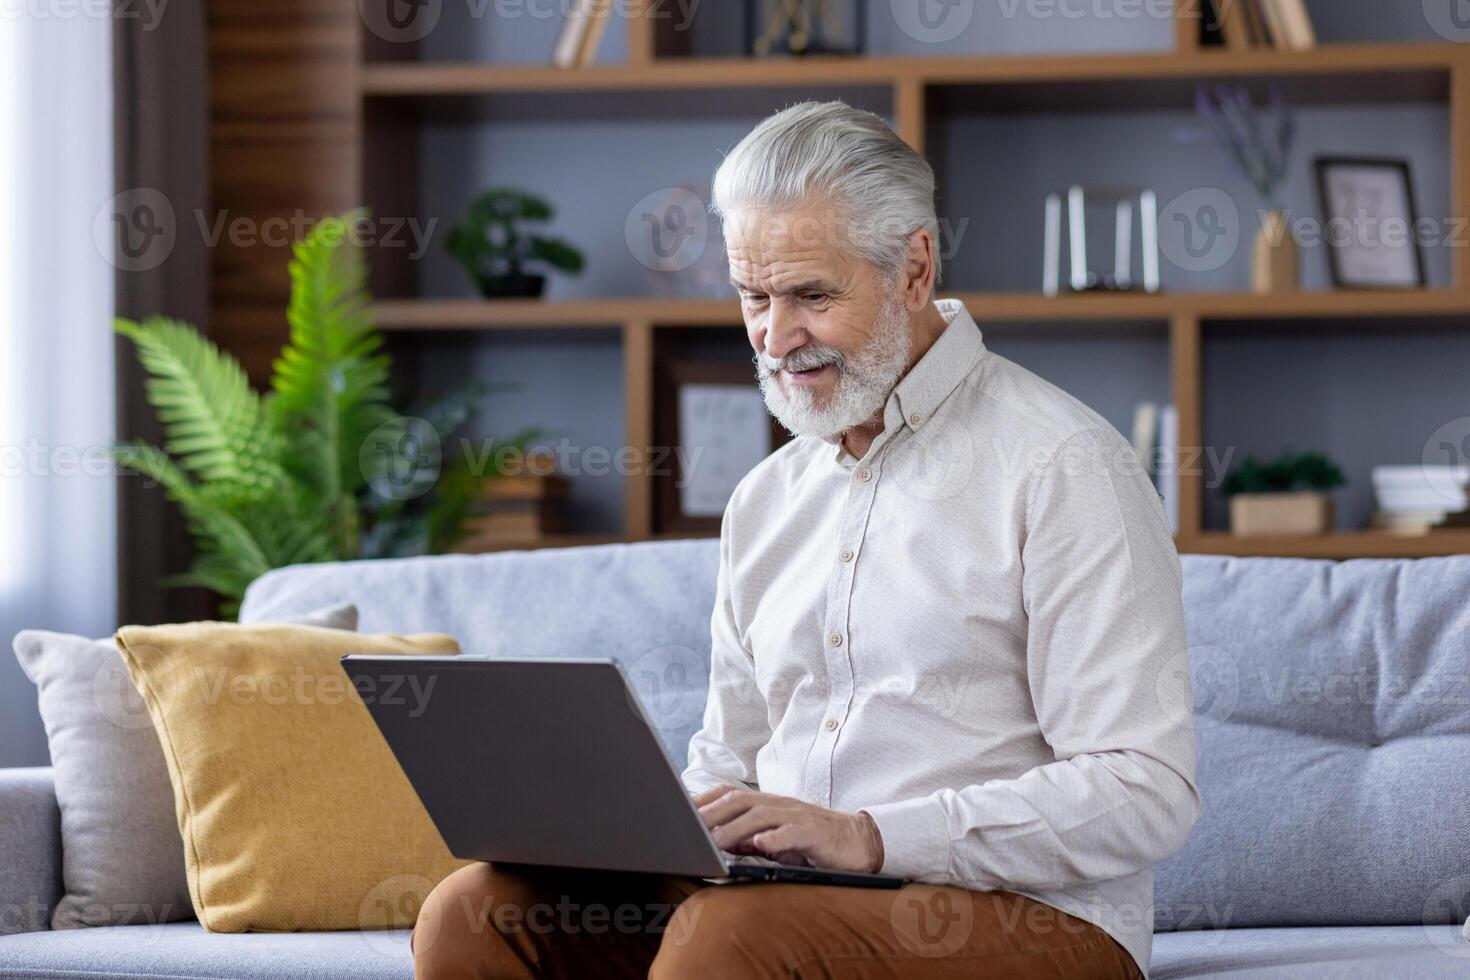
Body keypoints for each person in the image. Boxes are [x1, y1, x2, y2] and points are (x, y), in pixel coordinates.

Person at [414, 100, 1199, 980]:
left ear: (913, 266)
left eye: (812, 296)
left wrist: (868, 837)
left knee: (729, 941)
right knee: (476, 914)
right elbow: (728, 756)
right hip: (773, 902)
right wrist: (648, 825)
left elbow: (1145, 790)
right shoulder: (766, 500)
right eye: (754, 297)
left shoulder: (1064, 464)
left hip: (1031, 918)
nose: (776, 338)